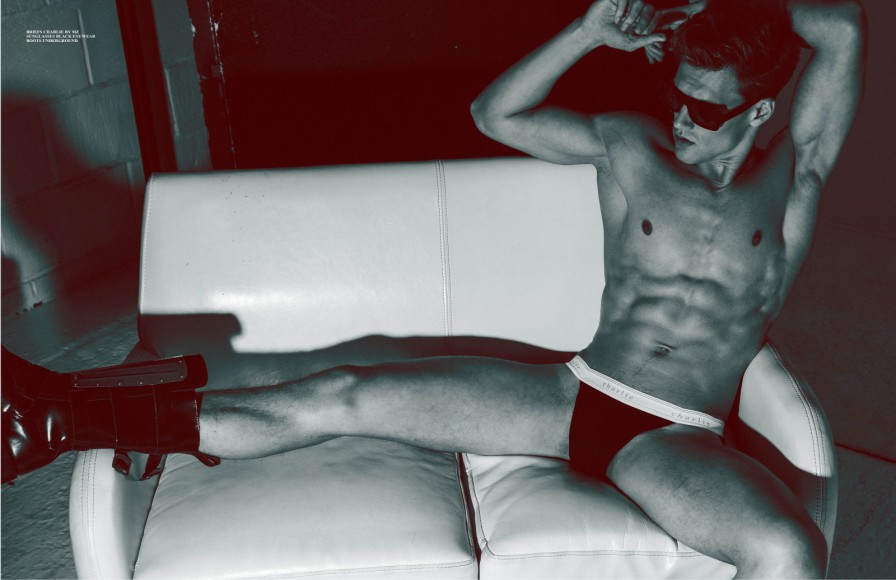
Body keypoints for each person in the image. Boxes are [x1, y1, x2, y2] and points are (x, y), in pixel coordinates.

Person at [3, 0, 864, 576]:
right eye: (677, 94)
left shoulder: (793, 181)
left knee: (788, 550)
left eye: (706, 109)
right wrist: (591, 31)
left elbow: (842, 25)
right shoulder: (630, 146)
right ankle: (54, 418)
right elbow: (496, 115)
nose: (681, 117)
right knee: (341, 391)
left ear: (759, 111)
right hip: (573, 393)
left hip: (671, 435)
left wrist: (714, 6)